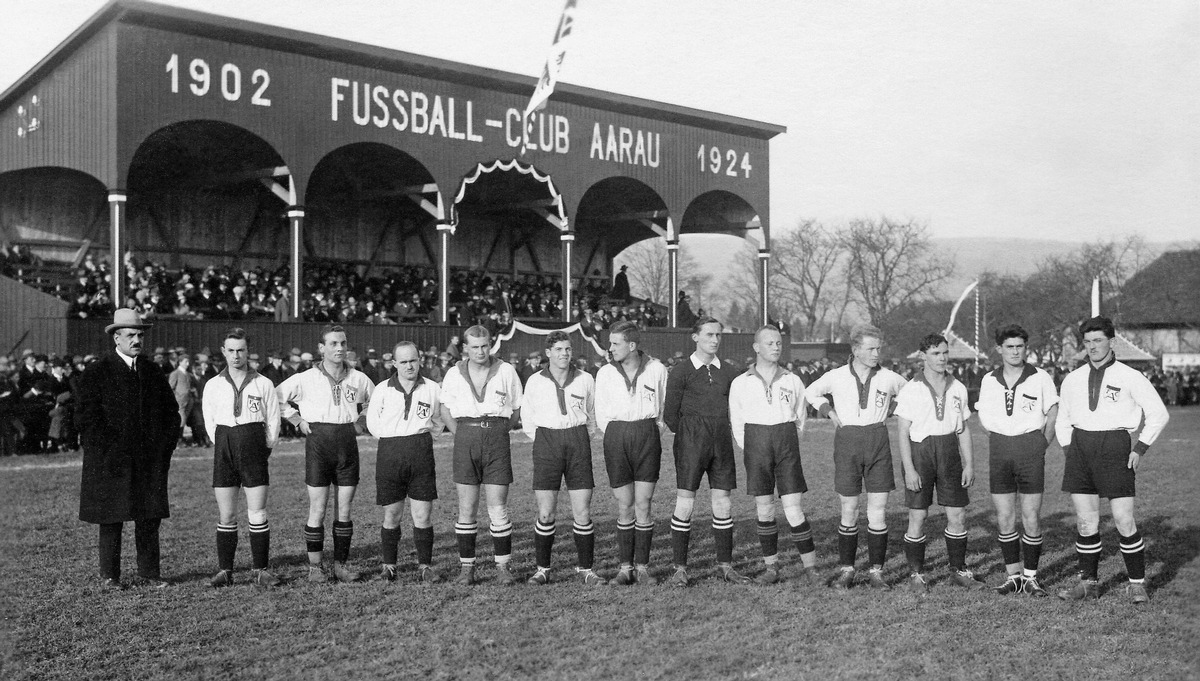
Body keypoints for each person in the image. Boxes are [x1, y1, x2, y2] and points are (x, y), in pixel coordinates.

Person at [1055, 316, 1169, 604]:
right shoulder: (1073, 378)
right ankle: (1088, 584)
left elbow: (1158, 414)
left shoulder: (1130, 376)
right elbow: (1062, 420)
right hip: (1080, 448)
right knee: (1086, 521)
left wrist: (1140, 448)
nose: (1092, 346)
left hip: (1115, 446)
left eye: (1098, 340)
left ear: (1111, 341)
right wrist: (1071, 453)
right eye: (1088, 341)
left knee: (1123, 520)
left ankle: (1137, 584)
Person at [77, 308, 182, 590]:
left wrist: (164, 450)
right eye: (131, 335)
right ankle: (110, 577)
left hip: (149, 460)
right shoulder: (97, 372)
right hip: (111, 461)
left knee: (149, 517)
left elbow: (172, 415)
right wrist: (106, 451)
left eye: (140, 335)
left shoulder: (151, 370)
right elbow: (86, 418)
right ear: (116, 338)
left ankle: (150, 574)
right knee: (111, 519)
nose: (137, 340)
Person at [803, 324, 907, 591]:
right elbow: (810, 392)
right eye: (871, 348)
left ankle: (876, 571)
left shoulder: (890, 377)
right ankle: (847, 569)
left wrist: (892, 409)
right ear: (855, 349)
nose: (876, 353)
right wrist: (829, 411)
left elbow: (910, 395)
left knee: (877, 510)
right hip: (847, 442)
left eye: (878, 348)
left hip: (878, 441)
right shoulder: (836, 376)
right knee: (849, 509)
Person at [276, 325, 375, 583]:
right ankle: (316, 568)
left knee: (345, 508)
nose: (339, 348)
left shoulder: (359, 378)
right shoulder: (306, 378)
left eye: (343, 343)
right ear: (321, 348)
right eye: (333, 344)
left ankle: (341, 565)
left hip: (346, 444)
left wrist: (362, 420)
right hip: (319, 443)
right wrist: (297, 419)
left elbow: (375, 401)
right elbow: (276, 397)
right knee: (317, 508)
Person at [729, 325, 820, 586]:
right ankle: (771, 568)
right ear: (757, 347)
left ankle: (811, 568)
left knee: (794, 508)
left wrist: (788, 441)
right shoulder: (740, 382)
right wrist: (751, 448)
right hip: (756, 444)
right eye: (770, 343)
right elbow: (737, 421)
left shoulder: (792, 379)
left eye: (779, 343)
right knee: (765, 508)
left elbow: (800, 417)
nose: (776, 347)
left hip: (785, 443)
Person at [662, 317, 749, 586]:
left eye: (718, 335)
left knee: (723, 502)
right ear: (695, 337)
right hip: (691, 440)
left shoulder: (730, 372)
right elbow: (670, 414)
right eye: (709, 334)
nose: (715, 340)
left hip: (721, 440)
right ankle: (680, 568)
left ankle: (726, 566)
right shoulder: (681, 371)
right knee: (685, 503)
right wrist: (692, 432)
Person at [974, 325, 1059, 597]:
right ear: (1000, 349)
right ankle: (1013, 576)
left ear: (1026, 348)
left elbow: (1053, 412)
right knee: (1005, 516)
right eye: (1009, 346)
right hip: (1000, 449)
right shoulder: (989, 379)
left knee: (1031, 515)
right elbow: (983, 418)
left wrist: (1040, 444)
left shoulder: (1040, 377)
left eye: (1019, 346)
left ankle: (1031, 577)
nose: (1014, 351)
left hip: (1030, 448)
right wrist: (1002, 436)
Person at [895, 334, 982, 593]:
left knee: (957, 513)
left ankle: (958, 569)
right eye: (935, 353)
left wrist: (969, 464)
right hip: (921, 453)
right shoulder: (911, 388)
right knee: (918, 515)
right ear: (923, 356)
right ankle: (916, 574)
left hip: (949, 453)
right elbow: (902, 433)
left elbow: (963, 429)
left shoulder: (958, 387)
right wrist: (909, 469)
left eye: (945, 352)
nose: (942, 358)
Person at [439, 325, 524, 585]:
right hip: (466, 436)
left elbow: (517, 409)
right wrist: (462, 433)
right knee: (467, 508)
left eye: (485, 345)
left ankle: (502, 566)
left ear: (491, 345)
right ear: (465, 348)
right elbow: (445, 409)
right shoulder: (454, 373)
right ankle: (467, 568)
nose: (480, 351)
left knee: (497, 506)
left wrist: (496, 431)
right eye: (474, 346)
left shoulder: (506, 370)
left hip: (496, 437)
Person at [521, 331, 604, 586]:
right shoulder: (535, 381)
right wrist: (547, 438)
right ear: (548, 353)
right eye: (558, 349)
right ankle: (543, 569)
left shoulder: (585, 378)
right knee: (546, 513)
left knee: (582, 511)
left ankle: (586, 569)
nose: (564, 354)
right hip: (547, 443)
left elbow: (591, 413)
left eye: (567, 349)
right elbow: (528, 418)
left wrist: (579, 435)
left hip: (577, 441)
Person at [202, 328, 282, 588]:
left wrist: (262, 446)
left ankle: (261, 569)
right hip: (224, 446)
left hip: (253, 446)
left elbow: (272, 420)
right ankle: (225, 570)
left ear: (248, 352)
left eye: (241, 350)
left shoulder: (264, 383)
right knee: (226, 515)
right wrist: (225, 444)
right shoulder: (213, 385)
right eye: (231, 351)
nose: (236, 356)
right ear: (224, 352)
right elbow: (210, 423)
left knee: (257, 511)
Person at [365, 341, 447, 584]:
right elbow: (373, 422)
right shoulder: (382, 389)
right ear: (394, 364)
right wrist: (394, 438)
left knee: (422, 515)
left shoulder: (432, 388)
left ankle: (425, 566)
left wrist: (418, 436)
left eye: (413, 360)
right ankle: (389, 567)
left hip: (420, 452)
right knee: (392, 514)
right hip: (390, 452)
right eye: (403, 362)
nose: (409, 366)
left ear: (419, 360)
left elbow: (437, 420)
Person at [595, 321, 668, 586]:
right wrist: (616, 433)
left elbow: (662, 406)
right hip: (616, 436)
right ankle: (625, 568)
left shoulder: (657, 369)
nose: (610, 348)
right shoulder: (605, 373)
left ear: (632, 345)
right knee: (624, 503)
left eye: (615, 343)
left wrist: (648, 430)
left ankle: (643, 567)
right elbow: (600, 411)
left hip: (646, 435)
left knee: (644, 503)